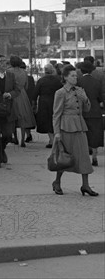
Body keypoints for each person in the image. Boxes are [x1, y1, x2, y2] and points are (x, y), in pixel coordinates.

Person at [51, 65, 98, 196]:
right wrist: (57, 133)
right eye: (72, 76)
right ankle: (57, 182)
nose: (75, 78)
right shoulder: (60, 93)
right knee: (65, 157)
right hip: (66, 127)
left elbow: (87, 109)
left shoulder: (79, 91)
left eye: (76, 75)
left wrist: (85, 98)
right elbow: (56, 114)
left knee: (83, 156)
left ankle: (85, 185)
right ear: (65, 77)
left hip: (80, 126)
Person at [78, 61, 104, 167]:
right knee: (95, 133)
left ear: (81, 70)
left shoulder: (78, 82)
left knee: (83, 134)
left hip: (83, 111)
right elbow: (101, 98)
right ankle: (94, 156)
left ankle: (85, 157)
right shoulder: (97, 82)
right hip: (95, 110)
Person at [7, 56, 36, 148]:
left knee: (12, 116)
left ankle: (15, 137)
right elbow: (26, 86)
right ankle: (22, 139)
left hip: (12, 93)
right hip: (22, 94)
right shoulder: (24, 72)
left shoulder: (9, 71)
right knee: (23, 116)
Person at [33, 63, 63, 148]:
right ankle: (55, 138)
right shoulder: (57, 80)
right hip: (55, 101)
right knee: (54, 119)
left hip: (44, 102)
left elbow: (35, 93)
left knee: (46, 120)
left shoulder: (41, 80)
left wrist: (34, 103)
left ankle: (51, 140)